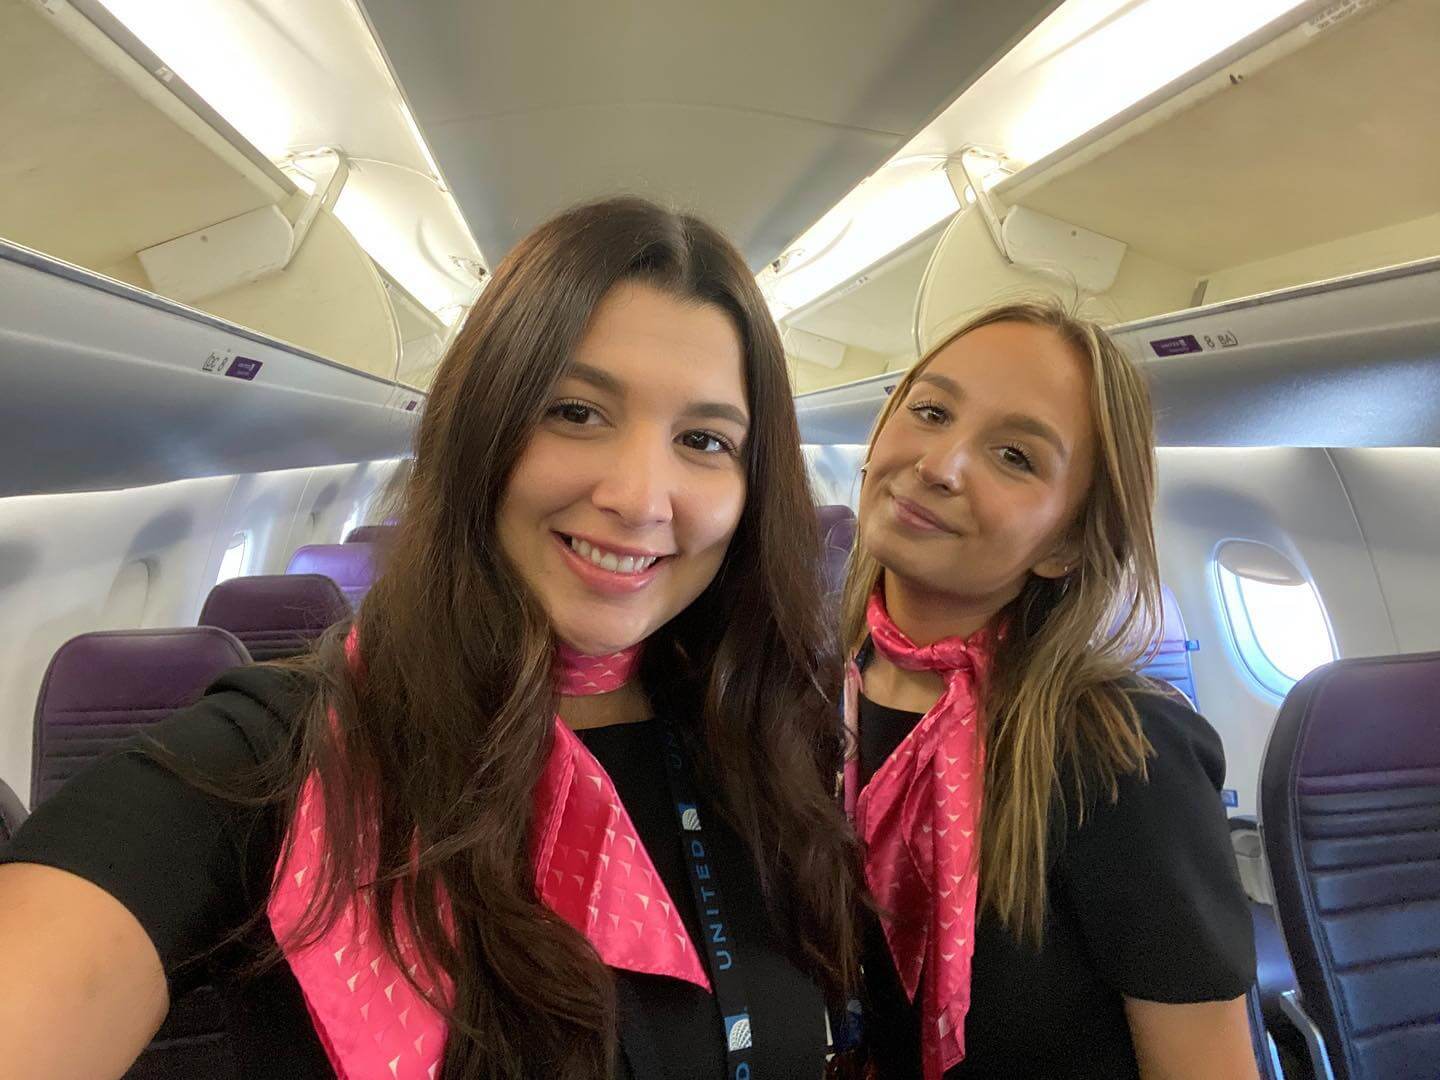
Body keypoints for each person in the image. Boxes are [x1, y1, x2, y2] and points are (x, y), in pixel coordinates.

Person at [0, 196, 863, 1079]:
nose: (642, 497)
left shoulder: (769, 742)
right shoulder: (280, 760)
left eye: (704, 439)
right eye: (575, 412)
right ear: (479, 427)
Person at [839, 300, 1256, 1079]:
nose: (939, 464)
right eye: (930, 411)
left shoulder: (1124, 752)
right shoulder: (807, 696)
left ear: (1065, 543)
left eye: (1015, 457)